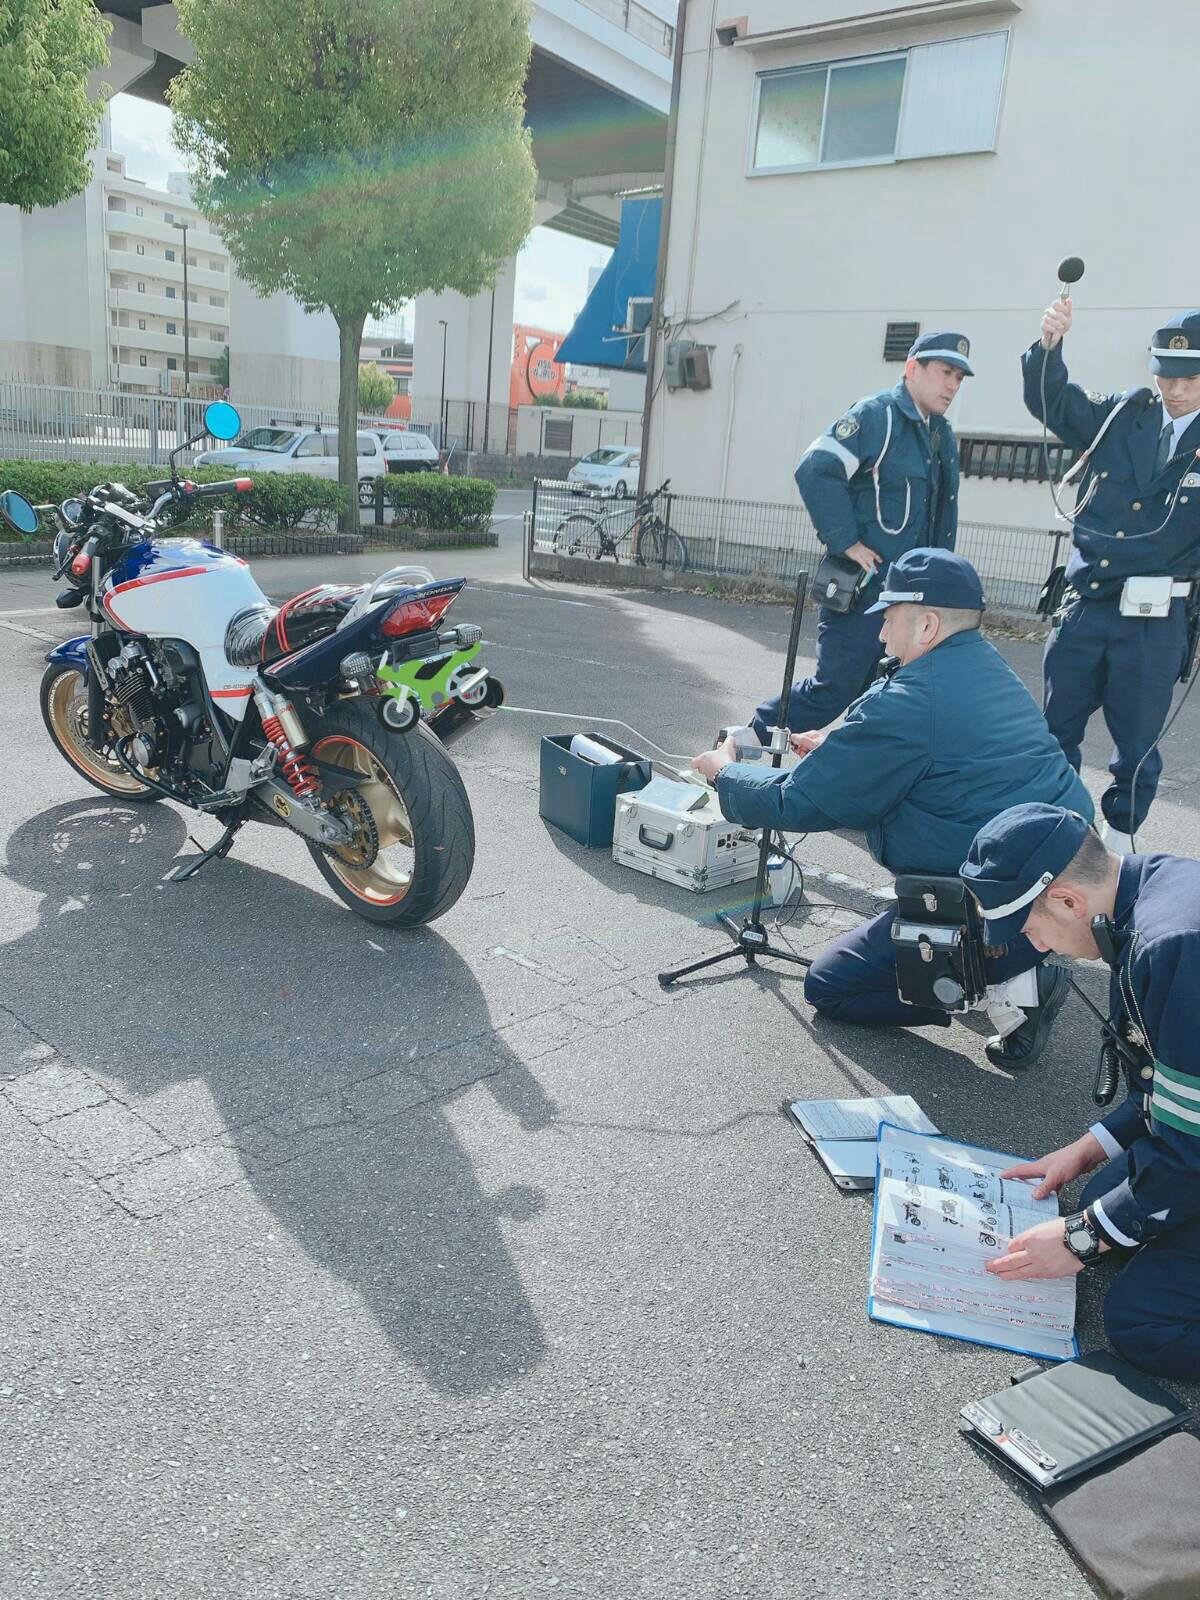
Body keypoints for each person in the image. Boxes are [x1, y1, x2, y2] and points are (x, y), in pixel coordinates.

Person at [693, 549, 1093, 1066]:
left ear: (926, 625)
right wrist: (841, 753)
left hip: (994, 899)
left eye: (889, 618)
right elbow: (943, 752)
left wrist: (722, 771)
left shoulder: (911, 699)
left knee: (831, 985)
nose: (880, 633)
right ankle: (1013, 961)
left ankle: (997, 983)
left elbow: (798, 800)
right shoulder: (985, 664)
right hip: (1067, 867)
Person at [960, 802, 1200, 1379]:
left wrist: (1080, 1241)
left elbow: (1191, 1152)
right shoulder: (1152, 894)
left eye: (1030, 930)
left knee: (1143, 1321)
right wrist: (1086, 1149)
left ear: (1068, 901)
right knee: (1114, 1196)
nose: (1039, 947)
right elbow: (1171, 1089)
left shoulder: (1173, 947)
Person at [1023, 303, 1200, 851]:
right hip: (1087, 605)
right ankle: (1054, 826)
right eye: (1165, 375)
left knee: (1138, 743)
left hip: (1155, 619)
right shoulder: (1123, 415)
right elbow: (1054, 401)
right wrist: (1049, 347)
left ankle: (1120, 843)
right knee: (1054, 728)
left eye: (1189, 378)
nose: (1174, 389)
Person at [742, 332, 971, 748]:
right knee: (834, 689)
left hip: (911, 599)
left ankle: (851, 780)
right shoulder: (878, 416)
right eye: (945, 372)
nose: (952, 385)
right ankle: (740, 745)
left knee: (884, 697)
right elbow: (817, 468)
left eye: (958, 377)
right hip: (864, 592)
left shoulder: (940, 434)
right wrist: (845, 541)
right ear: (912, 369)